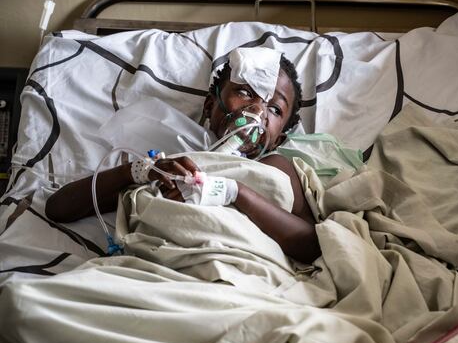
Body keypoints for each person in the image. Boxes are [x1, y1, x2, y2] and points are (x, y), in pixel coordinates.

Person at [45, 50, 321, 264]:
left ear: (280, 138)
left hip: (241, 275)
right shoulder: (170, 155)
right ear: (211, 105)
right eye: (246, 92)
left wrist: (234, 191)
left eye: (274, 109)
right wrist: (142, 171)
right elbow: (58, 208)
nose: (256, 110)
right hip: (160, 270)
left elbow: (312, 245)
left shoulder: (278, 167)